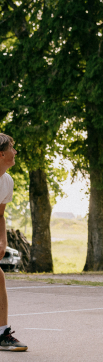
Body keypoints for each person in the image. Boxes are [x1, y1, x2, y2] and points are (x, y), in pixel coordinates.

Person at [0, 134, 27, 352]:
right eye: (12, 148)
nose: (15, 152)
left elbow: (0, 215)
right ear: (1, 154)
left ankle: (1, 333)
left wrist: (3, 240)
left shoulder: (7, 181)